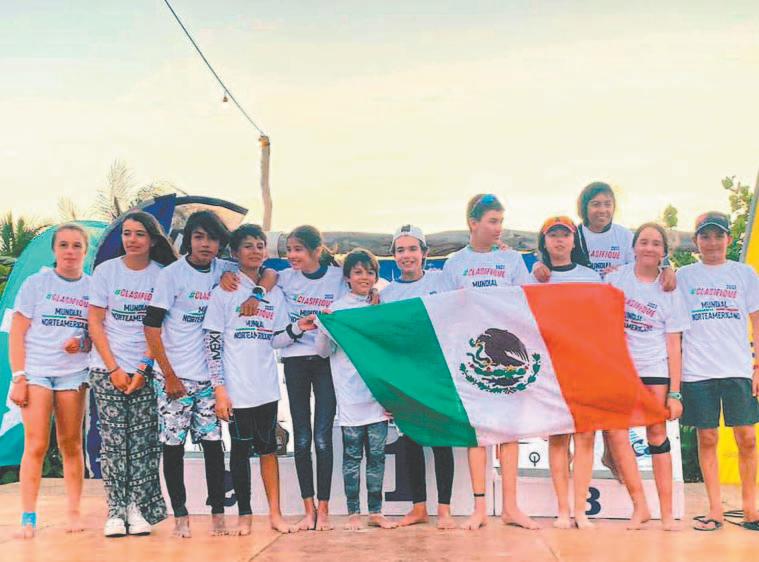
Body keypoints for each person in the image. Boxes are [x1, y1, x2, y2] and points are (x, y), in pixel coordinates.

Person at [441, 194, 535, 531]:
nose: (499, 228)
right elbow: (445, 311)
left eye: (501, 221)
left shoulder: (512, 261)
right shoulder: (454, 264)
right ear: (473, 223)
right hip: (472, 357)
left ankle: (510, 507)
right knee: (477, 434)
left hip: (509, 356)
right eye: (493, 221)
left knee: (509, 432)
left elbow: (527, 304)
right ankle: (479, 508)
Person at [143, 210, 236, 538]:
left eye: (212, 238)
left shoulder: (225, 270)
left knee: (213, 444)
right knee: (173, 446)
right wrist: (169, 376)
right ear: (189, 240)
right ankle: (180, 515)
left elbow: (264, 272)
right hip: (175, 380)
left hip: (209, 380)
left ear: (220, 243)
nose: (205, 244)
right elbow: (151, 327)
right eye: (199, 237)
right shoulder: (171, 275)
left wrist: (247, 288)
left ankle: (218, 514)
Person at [202, 224, 299, 536]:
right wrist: (219, 389)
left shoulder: (274, 292)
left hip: (267, 388)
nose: (255, 251)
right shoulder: (223, 292)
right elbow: (212, 343)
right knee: (240, 452)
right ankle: (244, 515)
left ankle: (275, 514)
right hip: (237, 390)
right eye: (248, 246)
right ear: (235, 253)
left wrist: (299, 329)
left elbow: (277, 339)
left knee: (269, 451)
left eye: (260, 245)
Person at [88, 212, 177, 537]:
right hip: (107, 368)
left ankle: (138, 509)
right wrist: (113, 368)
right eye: (127, 233)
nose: (132, 240)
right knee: (114, 442)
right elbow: (95, 322)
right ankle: (116, 510)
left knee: (143, 443)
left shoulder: (163, 274)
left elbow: (162, 327)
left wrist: (143, 367)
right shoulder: (106, 271)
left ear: (152, 240)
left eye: (140, 234)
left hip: (147, 369)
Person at [676, 212, 759, 532]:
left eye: (718, 235)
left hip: (737, 367)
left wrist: (757, 365)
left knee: (747, 438)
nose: (712, 242)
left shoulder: (744, 274)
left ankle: (751, 507)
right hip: (698, 369)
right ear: (696, 240)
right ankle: (714, 510)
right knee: (707, 437)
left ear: (728, 239)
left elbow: (756, 321)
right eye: (705, 236)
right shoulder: (684, 276)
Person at [9, 224, 92, 539]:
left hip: (73, 374)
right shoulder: (36, 283)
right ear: (55, 250)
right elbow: (17, 332)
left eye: (76, 245)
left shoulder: (92, 287)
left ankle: (74, 512)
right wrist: (19, 376)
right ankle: (28, 517)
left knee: (71, 443)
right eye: (64, 245)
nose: (70, 251)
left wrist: (81, 344)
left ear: (84, 251)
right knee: (36, 444)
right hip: (36, 372)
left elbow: (96, 336)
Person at [607, 222, 690, 531]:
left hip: (655, 370)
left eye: (656, 243)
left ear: (664, 251)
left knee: (656, 435)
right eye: (643, 241)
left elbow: (674, 344)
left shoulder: (670, 288)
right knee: (617, 433)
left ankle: (666, 513)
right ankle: (639, 506)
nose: (649, 248)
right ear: (634, 247)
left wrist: (675, 392)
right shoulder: (616, 278)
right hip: (621, 370)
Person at [380, 225, 456, 530]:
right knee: (410, 441)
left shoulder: (442, 280)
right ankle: (419, 508)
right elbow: (383, 342)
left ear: (424, 253)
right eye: (400, 250)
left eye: (412, 249)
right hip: (405, 377)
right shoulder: (386, 294)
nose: (406, 255)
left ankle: (445, 510)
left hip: (438, 373)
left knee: (441, 440)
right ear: (394, 256)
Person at [315, 248, 397, 530]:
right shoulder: (336, 310)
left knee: (377, 458)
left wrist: (391, 395)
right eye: (358, 272)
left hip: (377, 397)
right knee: (352, 458)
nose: (364, 277)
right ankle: (353, 513)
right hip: (349, 398)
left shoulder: (380, 306)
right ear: (347, 277)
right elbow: (322, 352)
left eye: (370, 272)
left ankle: (376, 511)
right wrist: (323, 326)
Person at [528, 216, 600, 529]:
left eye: (565, 235)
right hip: (550, 369)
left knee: (586, 437)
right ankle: (562, 510)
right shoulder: (534, 278)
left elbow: (600, 322)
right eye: (553, 235)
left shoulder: (590, 277)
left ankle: (580, 510)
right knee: (558, 437)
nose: (559, 240)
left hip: (585, 366)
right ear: (544, 242)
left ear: (574, 241)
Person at [275, 225, 348, 531]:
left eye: (299, 250)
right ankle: (309, 509)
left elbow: (363, 289)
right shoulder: (283, 278)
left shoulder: (338, 277)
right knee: (302, 438)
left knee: (322, 438)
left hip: (326, 362)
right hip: (295, 363)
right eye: (289, 250)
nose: (292, 256)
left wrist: (371, 294)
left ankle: (325, 508)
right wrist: (298, 327)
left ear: (317, 251)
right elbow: (264, 279)